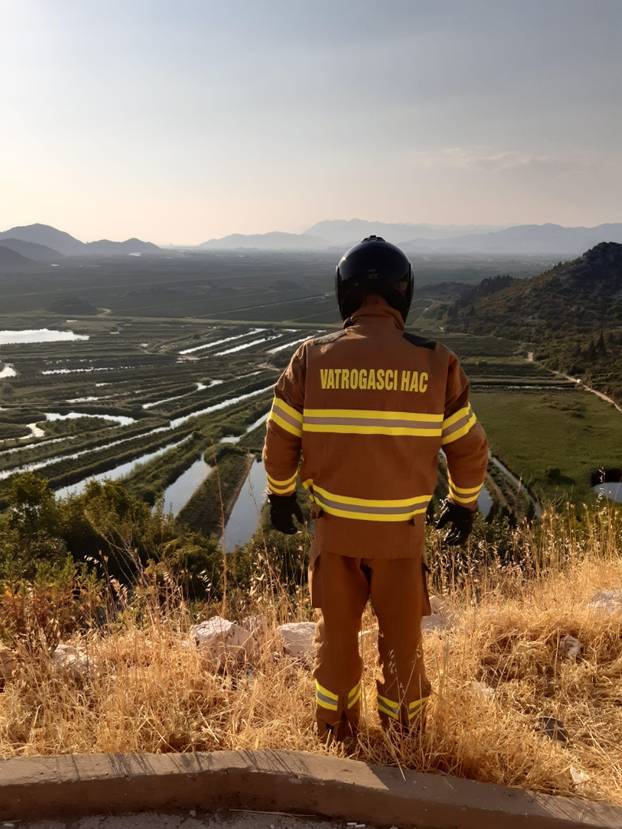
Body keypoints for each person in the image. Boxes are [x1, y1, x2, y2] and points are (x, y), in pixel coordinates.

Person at [262, 236, 488, 742]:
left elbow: (279, 441)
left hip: (335, 536)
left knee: (336, 645)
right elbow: (469, 451)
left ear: (345, 294)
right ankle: (405, 744)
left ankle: (335, 735)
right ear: (402, 294)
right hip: (401, 541)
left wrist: (280, 496)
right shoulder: (437, 363)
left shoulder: (311, 358)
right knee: (403, 648)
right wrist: (463, 504)